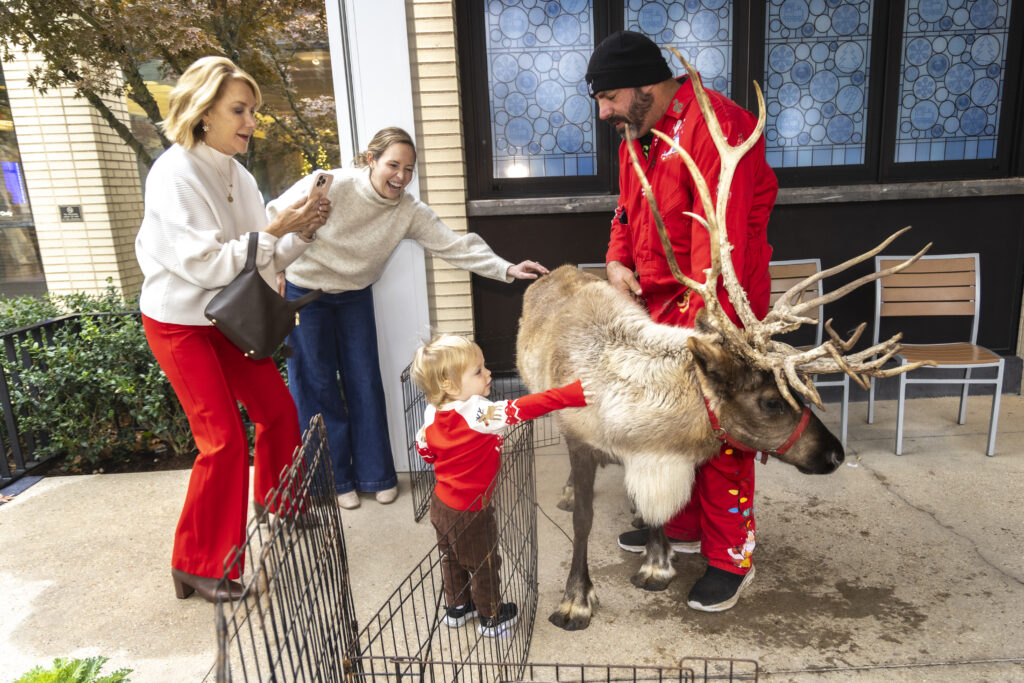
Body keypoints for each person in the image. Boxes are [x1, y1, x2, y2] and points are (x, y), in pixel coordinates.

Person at [585, 30, 777, 612]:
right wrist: (617, 257)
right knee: (672, 422)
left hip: (718, 307)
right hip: (657, 308)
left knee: (722, 433)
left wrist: (698, 333)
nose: (604, 113)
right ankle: (686, 523)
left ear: (648, 85)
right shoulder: (636, 133)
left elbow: (717, 249)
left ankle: (730, 557)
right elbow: (626, 206)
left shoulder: (720, 128)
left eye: (610, 97)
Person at [266, 127, 549, 511]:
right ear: (371, 160)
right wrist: (275, 267)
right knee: (316, 386)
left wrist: (508, 268)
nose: (400, 177)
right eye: (393, 165)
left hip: (354, 296)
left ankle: (376, 475)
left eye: (409, 169)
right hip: (306, 294)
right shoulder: (337, 185)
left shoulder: (408, 211)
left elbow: (453, 245)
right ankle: (335, 481)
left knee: (365, 382)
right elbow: (275, 214)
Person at [135, 56, 331, 603]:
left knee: (278, 409)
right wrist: (275, 230)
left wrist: (303, 231)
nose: (250, 122)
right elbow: (206, 264)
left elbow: (260, 258)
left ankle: (280, 503)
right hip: (181, 325)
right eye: (239, 110)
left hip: (228, 316)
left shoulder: (236, 171)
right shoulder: (173, 174)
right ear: (203, 112)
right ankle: (196, 564)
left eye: (253, 111)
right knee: (221, 441)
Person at [410, 334, 587, 637]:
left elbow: (424, 449)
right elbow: (526, 406)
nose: (488, 373)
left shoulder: (432, 412)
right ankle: (491, 615)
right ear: (451, 386)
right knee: (484, 562)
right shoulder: (477, 413)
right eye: (478, 371)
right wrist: (571, 394)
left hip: (440, 504)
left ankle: (456, 607)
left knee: (451, 556)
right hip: (471, 510)